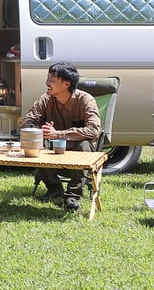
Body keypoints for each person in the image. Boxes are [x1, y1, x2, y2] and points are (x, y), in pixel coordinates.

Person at [22, 62, 100, 211]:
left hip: (78, 148)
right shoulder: (45, 100)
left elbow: (94, 130)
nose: (47, 83)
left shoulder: (85, 100)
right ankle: (54, 189)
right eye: (47, 78)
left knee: (84, 144)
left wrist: (59, 134)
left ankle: (72, 195)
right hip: (53, 149)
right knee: (37, 144)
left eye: (52, 79)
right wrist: (37, 131)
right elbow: (29, 121)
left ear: (66, 84)